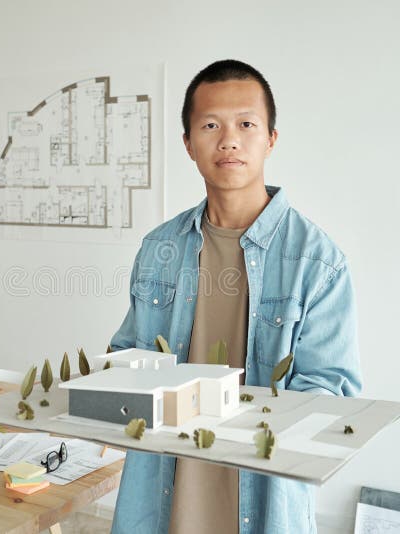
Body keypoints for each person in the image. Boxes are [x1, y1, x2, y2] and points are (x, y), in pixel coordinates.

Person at [109, 59, 362, 534]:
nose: (229, 139)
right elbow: (128, 353)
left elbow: (333, 394)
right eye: (210, 125)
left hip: (265, 498)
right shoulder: (158, 249)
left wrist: (248, 417)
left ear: (270, 138)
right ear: (188, 143)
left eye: (246, 124)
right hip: (163, 490)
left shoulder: (318, 261)